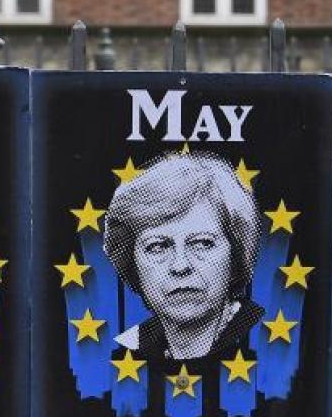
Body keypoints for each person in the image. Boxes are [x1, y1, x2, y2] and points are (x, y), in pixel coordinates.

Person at [103, 151, 263, 361]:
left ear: (234, 256)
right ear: (133, 265)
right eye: (157, 246)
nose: (180, 265)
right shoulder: (123, 354)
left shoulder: (268, 341)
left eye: (203, 243)